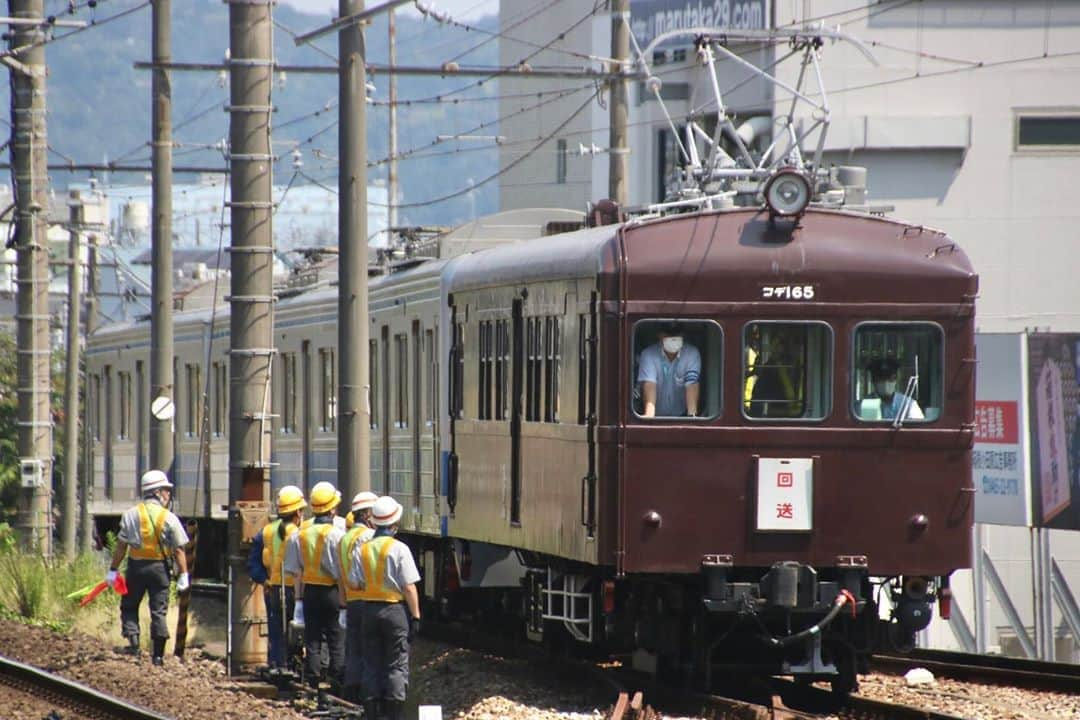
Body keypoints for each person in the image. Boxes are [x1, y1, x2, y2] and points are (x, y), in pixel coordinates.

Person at [108, 469, 189, 666]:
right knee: (158, 610)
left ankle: (134, 645)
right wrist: (183, 575)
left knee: (129, 605)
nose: (168, 495)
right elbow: (179, 550)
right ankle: (158, 656)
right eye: (166, 491)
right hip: (160, 569)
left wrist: (113, 570)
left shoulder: (129, 515)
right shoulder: (169, 518)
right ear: (157, 492)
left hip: (136, 568)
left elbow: (121, 547)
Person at [350, 496, 421, 720]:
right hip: (394, 611)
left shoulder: (362, 549)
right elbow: (408, 587)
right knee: (396, 663)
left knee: (371, 661)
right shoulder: (400, 549)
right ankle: (394, 713)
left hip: (369, 610)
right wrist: (416, 616)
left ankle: (372, 712)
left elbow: (356, 582)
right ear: (394, 524)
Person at [284, 481, 346, 688]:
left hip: (310, 591)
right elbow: (341, 573)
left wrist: (299, 600)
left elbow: (296, 571)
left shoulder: (298, 535)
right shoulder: (337, 536)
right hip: (331, 592)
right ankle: (336, 679)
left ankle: (313, 679)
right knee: (335, 636)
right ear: (332, 508)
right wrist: (344, 602)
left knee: (313, 639)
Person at [247, 485, 306, 672]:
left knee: (276, 630)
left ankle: (277, 664)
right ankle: (296, 667)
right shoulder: (302, 532)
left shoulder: (265, 532)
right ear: (297, 511)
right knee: (299, 630)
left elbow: (253, 564)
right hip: (298, 591)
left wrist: (264, 580)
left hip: (273, 589)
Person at [336, 491, 378, 701]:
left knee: (353, 649)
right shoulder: (368, 537)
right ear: (367, 514)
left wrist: (343, 604)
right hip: (367, 599)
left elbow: (340, 575)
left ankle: (350, 694)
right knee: (370, 650)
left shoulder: (343, 539)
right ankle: (368, 697)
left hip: (351, 602)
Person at [637, 322, 701, 417]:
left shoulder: (691, 353)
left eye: (676, 334)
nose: (673, 338)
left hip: (682, 416)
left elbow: (691, 384)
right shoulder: (648, 354)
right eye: (668, 334)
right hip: (656, 417)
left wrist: (692, 417)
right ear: (660, 336)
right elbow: (649, 384)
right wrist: (649, 417)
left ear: (683, 335)